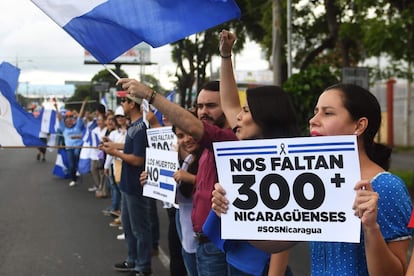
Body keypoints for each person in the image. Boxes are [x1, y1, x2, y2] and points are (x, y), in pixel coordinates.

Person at [213, 83, 413, 275]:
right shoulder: (312, 180)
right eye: (316, 111)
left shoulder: (387, 187)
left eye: (327, 113)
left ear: (359, 125)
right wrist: (235, 212)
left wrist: (371, 229)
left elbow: (396, 272)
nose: (313, 120)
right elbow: (277, 243)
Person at [202, 29, 298, 276]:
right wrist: (225, 56)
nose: (238, 116)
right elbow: (229, 102)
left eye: (246, 110)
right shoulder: (247, 145)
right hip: (237, 259)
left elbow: (285, 231)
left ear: (266, 115)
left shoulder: (287, 162)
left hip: (261, 268)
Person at [117, 78, 234, 275]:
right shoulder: (202, 154)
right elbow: (190, 194)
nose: (203, 111)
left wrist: (150, 95)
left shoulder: (226, 142)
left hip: (215, 242)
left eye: (211, 105)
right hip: (193, 235)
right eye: (200, 106)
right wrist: (156, 181)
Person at [102, 94, 152, 276]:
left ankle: (143, 266)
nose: (122, 104)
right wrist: (112, 145)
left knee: (140, 228)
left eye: (124, 101)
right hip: (127, 184)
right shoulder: (133, 126)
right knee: (128, 226)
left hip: (136, 186)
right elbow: (129, 148)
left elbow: (138, 159)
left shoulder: (140, 128)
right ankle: (132, 260)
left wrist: (115, 151)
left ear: (133, 103)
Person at [55, 100, 87, 187]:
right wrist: (56, 107)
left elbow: (80, 115)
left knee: (77, 153)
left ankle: (78, 168)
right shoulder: (63, 128)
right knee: (71, 164)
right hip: (69, 148)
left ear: (73, 120)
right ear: (65, 122)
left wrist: (83, 105)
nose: (69, 121)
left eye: (71, 119)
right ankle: (73, 179)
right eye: (67, 120)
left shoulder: (77, 125)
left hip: (78, 146)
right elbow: (59, 118)